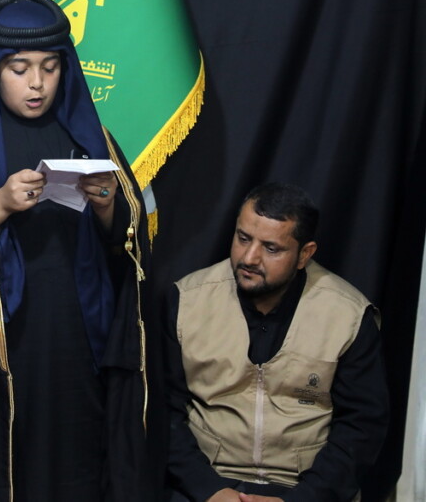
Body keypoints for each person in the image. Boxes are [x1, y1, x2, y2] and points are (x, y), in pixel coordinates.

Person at [0, 0, 153, 501]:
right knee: (15, 444)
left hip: (79, 326)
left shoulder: (92, 136)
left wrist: (106, 204)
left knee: (81, 444)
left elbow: (128, 244)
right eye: (20, 68)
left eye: (50, 67)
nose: (37, 82)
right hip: (5, 335)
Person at [164, 182, 388, 501]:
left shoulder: (347, 314)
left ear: (304, 254)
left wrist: (300, 499)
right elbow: (163, 413)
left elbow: (361, 427)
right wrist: (209, 490)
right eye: (243, 238)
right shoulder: (187, 300)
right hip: (207, 483)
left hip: (305, 489)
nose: (249, 257)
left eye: (271, 249)